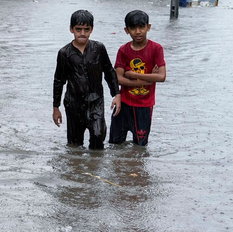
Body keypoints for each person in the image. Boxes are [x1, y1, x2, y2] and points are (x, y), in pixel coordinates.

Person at [53, 10, 121, 150]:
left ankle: (94, 168)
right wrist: (56, 107)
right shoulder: (64, 53)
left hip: (96, 101)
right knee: (74, 145)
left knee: (97, 136)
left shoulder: (99, 48)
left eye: (86, 29)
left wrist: (116, 94)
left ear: (92, 29)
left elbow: (109, 72)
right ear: (71, 29)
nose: (82, 33)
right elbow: (59, 81)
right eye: (78, 29)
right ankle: (77, 170)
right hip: (73, 104)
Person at [109, 10, 166, 147]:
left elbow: (162, 76)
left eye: (142, 27)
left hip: (144, 106)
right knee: (114, 145)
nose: (138, 31)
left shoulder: (156, 49)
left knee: (140, 147)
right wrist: (149, 80)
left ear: (148, 27)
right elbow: (118, 78)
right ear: (126, 30)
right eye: (133, 28)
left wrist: (135, 75)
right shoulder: (123, 50)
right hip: (123, 105)